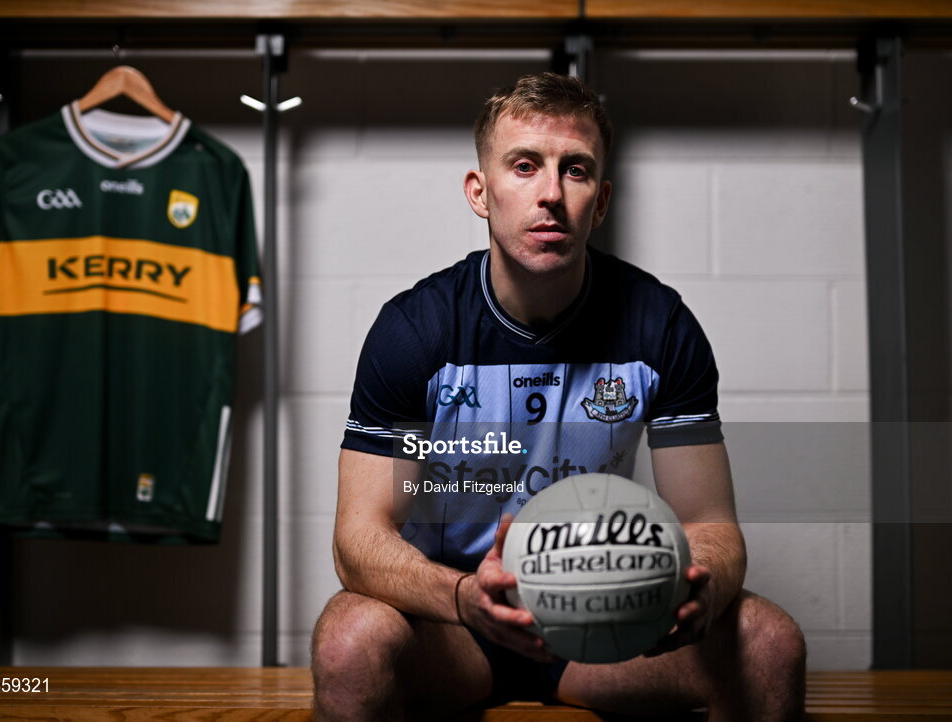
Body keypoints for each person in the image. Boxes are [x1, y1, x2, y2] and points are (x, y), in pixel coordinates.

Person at [311, 72, 806, 720]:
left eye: (575, 170)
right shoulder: (416, 331)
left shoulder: (659, 326)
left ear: (600, 201)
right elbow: (358, 538)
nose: (550, 193)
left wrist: (700, 591)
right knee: (348, 641)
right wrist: (463, 597)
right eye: (524, 166)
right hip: (455, 625)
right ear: (479, 192)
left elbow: (711, 524)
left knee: (770, 644)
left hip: (603, 624)